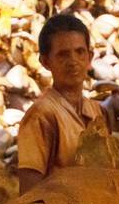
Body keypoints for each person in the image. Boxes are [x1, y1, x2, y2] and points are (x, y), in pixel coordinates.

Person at [15, 14, 104, 193]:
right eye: (63, 54)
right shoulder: (41, 115)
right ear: (45, 62)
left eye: (80, 52)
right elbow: (29, 193)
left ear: (90, 57)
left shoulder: (96, 111)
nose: (73, 61)